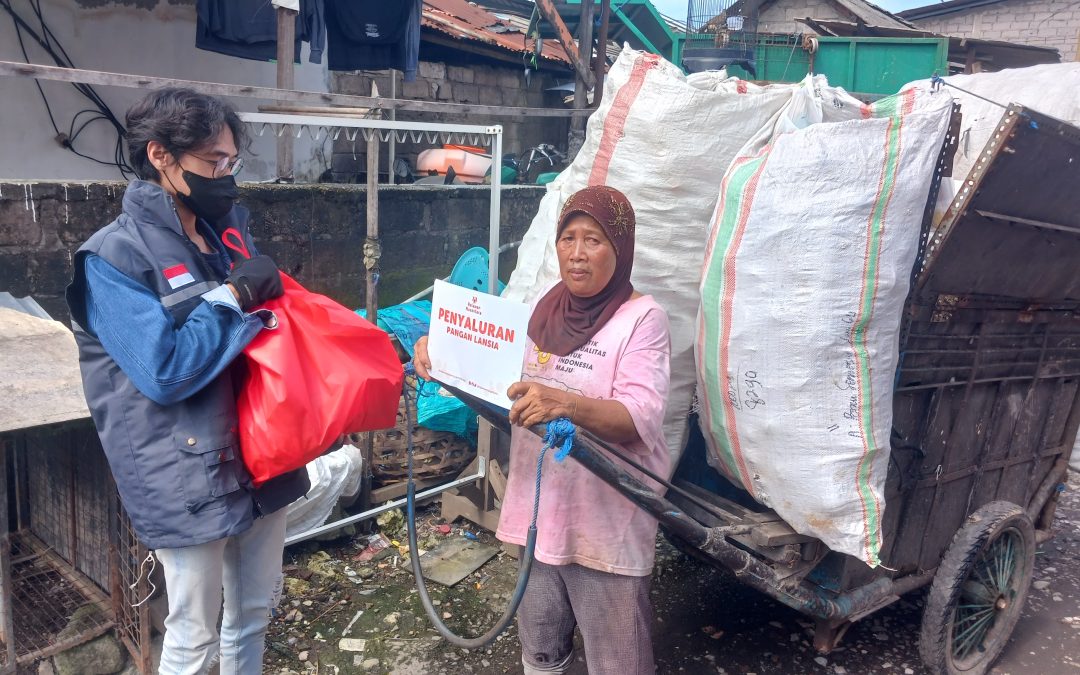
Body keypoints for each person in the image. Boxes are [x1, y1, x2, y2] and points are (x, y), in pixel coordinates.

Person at [66, 88, 310, 675]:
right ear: (160, 156)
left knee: (254, 612)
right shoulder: (112, 259)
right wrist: (234, 295)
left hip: (260, 449)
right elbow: (166, 370)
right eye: (212, 161)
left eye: (231, 161)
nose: (226, 175)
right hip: (186, 471)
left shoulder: (226, 235)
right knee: (194, 637)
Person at [414, 185, 672, 675]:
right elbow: (488, 370)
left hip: (604, 519)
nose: (577, 253)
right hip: (538, 507)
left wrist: (566, 404)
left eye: (594, 240)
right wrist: (439, 349)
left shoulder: (643, 319)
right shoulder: (538, 310)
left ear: (620, 248)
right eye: (568, 238)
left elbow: (640, 416)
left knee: (618, 658)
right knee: (540, 647)